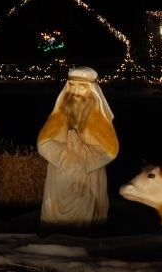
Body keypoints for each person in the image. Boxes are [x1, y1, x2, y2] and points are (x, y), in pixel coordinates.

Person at [36, 65, 119, 232]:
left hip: (89, 176)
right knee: (55, 221)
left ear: (92, 91)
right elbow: (43, 142)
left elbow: (110, 150)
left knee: (86, 219)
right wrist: (67, 155)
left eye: (81, 87)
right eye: (72, 86)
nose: (75, 92)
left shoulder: (99, 119)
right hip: (60, 174)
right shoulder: (60, 114)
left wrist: (82, 155)